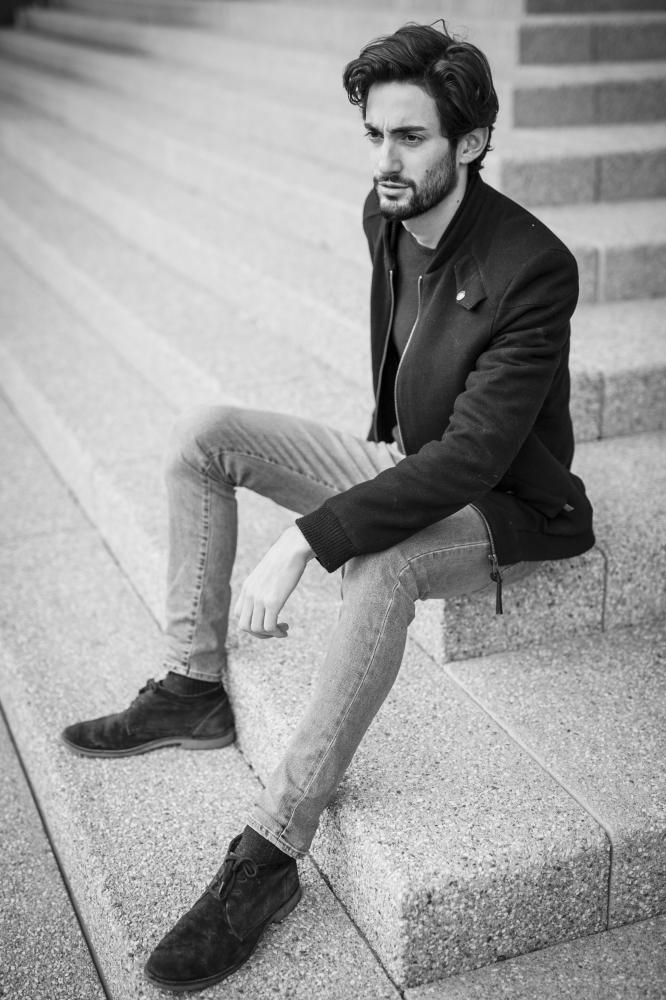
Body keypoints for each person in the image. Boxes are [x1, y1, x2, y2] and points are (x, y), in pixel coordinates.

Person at [61, 22, 594, 992]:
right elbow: (406, 368)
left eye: (412, 138)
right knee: (204, 433)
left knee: (381, 562)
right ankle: (192, 686)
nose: (386, 160)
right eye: (375, 135)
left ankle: (270, 854)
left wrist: (306, 538)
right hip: (408, 457)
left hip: (507, 501)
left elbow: (476, 457)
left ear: (472, 141)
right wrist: (377, 446)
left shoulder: (534, 266)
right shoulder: (384, 211)